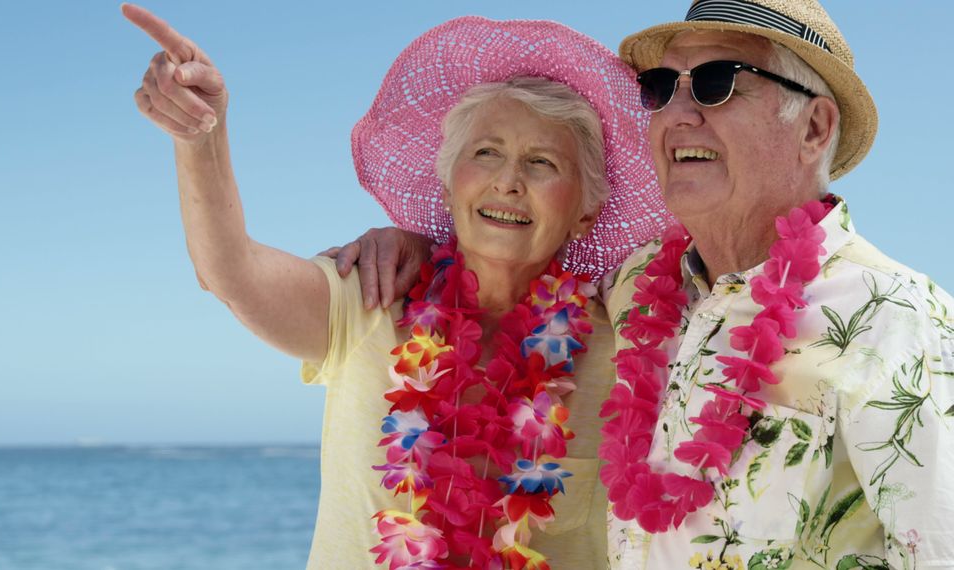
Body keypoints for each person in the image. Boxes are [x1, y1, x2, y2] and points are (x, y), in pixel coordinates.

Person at [333, 1, 954, 568]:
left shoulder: (897, 316)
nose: (677, 114)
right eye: (661, 88)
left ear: (815, 127)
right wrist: (416, 242)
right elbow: (519, 246)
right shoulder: (636, 286)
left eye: (717, 83)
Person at [122, 5, 671, 568]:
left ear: (586, 212)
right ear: (449, 180)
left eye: (542, 162)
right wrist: (200, 139)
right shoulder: (371, 297)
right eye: (486, 153)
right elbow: (230, 272)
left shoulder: (630, 353)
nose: (508, 181)